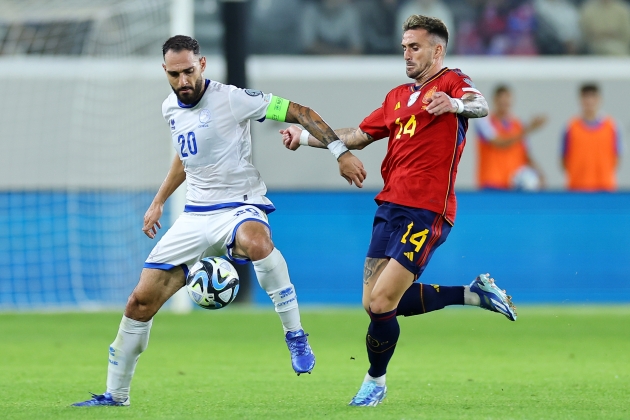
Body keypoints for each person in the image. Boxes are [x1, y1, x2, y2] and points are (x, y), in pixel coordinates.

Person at [72, 35, 367, 407]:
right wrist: (159, 200)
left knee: (258, 243)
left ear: (203, 65)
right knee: (139, 302)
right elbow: (185, 156)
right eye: (175, 74)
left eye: (189, 72)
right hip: (194, 216)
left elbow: (301, 111)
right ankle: (115, 394)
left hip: (238, 205)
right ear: (165, 71)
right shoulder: (170, 108)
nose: (183, 81)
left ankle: (295, 334)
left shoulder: (232, 98)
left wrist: (339, 152)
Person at [280, 15, 517, 407]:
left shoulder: (452, 81)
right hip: (389, 206)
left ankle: (375, 382)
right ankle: (473, 294)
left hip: (427, 209)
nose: (406, 53)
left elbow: (481, 105)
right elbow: (357, 135)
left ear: (437, 50)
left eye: (415, 47)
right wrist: (304, 137)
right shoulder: (396, 97)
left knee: (380, 304)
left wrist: (454, 104)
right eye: (404, 46)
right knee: (375, 302)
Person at [475, 85, 546, 190]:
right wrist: (528, 129)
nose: (504, 102)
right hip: (492, 183)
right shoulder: (484, 121)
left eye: (507, 98)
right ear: (495, 100)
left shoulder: (519, 124)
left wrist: (539, 174)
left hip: (514, 185)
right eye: (501, 99)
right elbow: (499, 143)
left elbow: (525, 154)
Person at [562, 83, 623, 191]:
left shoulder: (612, 126)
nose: (589, 100)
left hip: (605, 188)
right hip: (577, 188)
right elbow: (563, 158)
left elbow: (617, 157)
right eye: (585, 96)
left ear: (599, 99)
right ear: (580, 99)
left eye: (592, 96)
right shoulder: (570, 127)